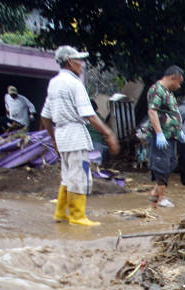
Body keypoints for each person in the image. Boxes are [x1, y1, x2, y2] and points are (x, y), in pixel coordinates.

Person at [40, 45, 119, 226]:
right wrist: (108, 133)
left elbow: (45, 116)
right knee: (80, 176)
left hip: (62, 135)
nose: (82, 65)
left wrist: (53, 138)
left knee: (67, 176)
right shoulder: (74, 83)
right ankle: (77, 216)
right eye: (80, 61)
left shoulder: (54, 83)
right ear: (70, 62)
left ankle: (61, 213)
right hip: (75, 136)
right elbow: (89, 115)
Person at [145, 65, 185, 207]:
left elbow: (171, 112)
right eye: (179, 82)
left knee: (172, 163)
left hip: (171, 136)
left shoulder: (168, 93)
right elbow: (152, 111)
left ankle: (155, 192)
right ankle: (161, 198)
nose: (179, 86)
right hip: (161, 137)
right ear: (172, 78)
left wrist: (179, 130)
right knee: (162, 165)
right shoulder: (156, 90)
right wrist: (159, 133)